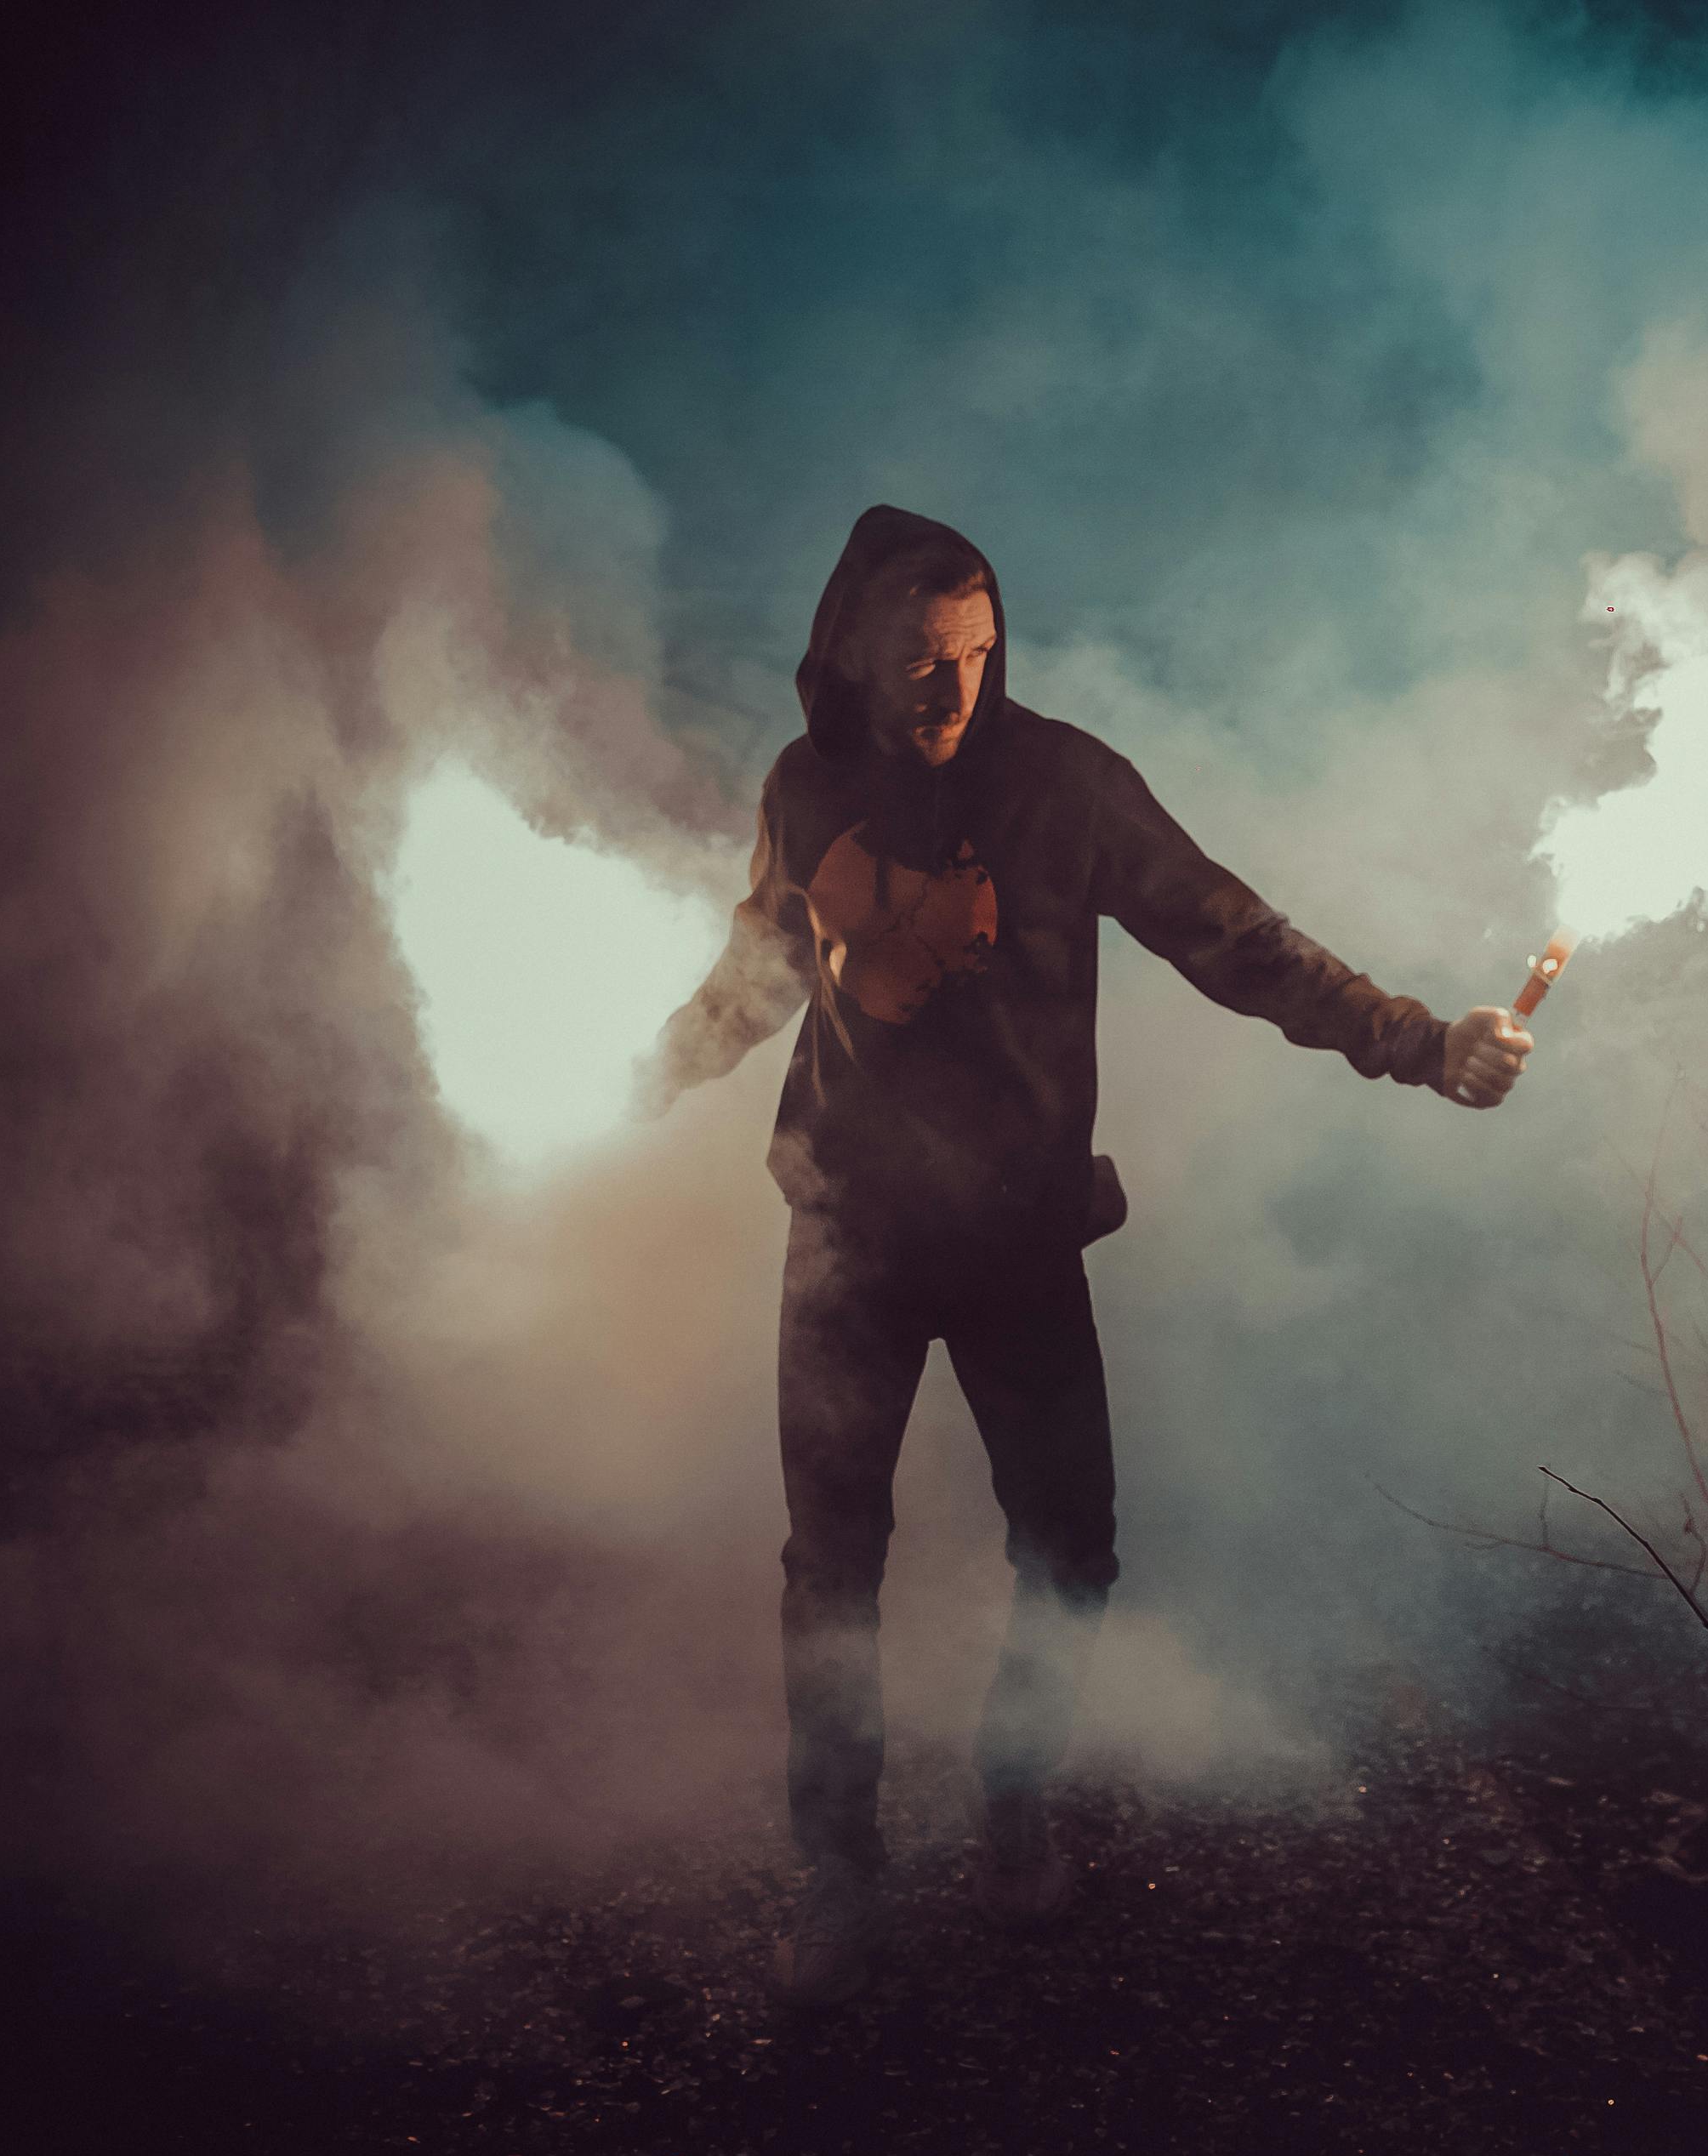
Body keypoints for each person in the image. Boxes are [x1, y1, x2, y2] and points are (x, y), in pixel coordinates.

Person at [638, 504, 1530, 2009]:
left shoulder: (1064, 783)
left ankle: (1015, 1800)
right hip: (846, 1230)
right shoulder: (808, 782)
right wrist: (660, 1061)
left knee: (1069, 1549)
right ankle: (840, 1881)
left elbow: (1233, 936)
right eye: (923, 659)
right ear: (852, 648)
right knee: (830, 1573)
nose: (955, 691)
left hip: (1016, 1238)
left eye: (977, 655)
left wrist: (1419, 1043)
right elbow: (771, 956)